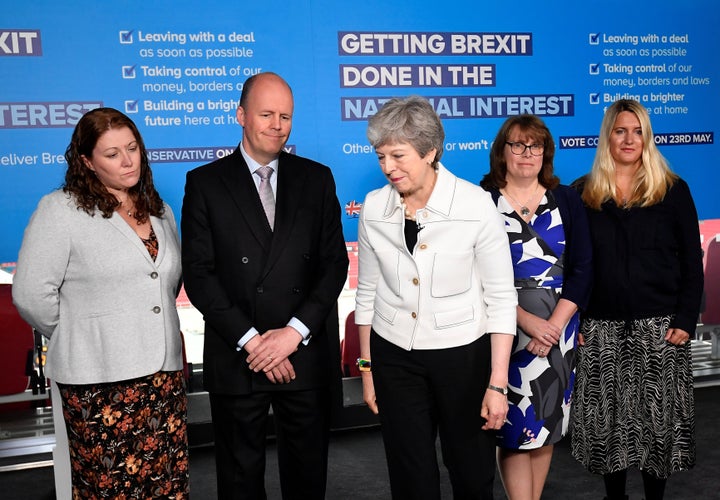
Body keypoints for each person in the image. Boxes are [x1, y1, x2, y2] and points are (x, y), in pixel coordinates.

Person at [181, 72, 349, 500]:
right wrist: (256, 344)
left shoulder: (317, 178)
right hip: (239, 358)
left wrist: (293, 333)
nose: (277, 125)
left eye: (286, 116)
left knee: (308, 479)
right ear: (241, 115)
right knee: (239, 482)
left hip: (304, 354)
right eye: (266, 114)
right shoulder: (204, 182)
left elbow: (333, 266)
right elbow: (199, 275)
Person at [12, 107, 188, 498]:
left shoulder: (160, 211)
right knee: (111, 491)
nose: (127, 161)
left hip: (162, 379)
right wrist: (81, 330)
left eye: (132, 148)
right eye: (112, 154)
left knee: (166, 487)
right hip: (99, 384)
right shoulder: (60, 210)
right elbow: (30, 294)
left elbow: (164, 284)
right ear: (86, 161)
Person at [355, 95, 517, 500]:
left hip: (462, 356)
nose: (388, 167)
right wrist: (367, 369)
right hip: (393, 355)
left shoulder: (475, 205)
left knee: (470, 470)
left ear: (430, 151)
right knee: (410, 475)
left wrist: (497, 385)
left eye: (398, 155)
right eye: (380, 157)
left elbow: (500, 299)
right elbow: (367, 292)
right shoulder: (374, 207)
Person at [570, 99, 704, 500]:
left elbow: (692, 263)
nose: (629, 139)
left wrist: (685, 318)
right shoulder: (582, 193)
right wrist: (575, 321)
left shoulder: (674, 190)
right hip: (600, 328)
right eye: (620, 130)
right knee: (607, 430)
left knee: (656, 431)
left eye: (637, 130)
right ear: (607, 135)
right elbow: (574, 266)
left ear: (647, 136)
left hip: (660, 327)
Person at [480, 114, 593, 500]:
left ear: (545, 153)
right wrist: (527, 321)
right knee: (512, 428)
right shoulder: (482, 200)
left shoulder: (566, 199)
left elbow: (583, 268)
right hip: (505, 331)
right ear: (503, 151)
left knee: (546, 423)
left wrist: (555, 325)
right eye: (517, 145)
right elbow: (474, 274)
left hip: (560, 332)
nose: (527, 153)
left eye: (535, 146)